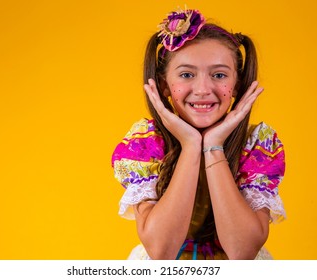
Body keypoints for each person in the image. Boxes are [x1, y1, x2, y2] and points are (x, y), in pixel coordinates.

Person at [111, 8, 286, 260]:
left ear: (237, 84)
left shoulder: (257, 144)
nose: (203, 89)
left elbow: (242, 252)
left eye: (218, 75)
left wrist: (213, 145)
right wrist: (191, 145)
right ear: (163, 85)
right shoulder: (146, 143)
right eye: (186, 75)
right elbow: (161, 251)